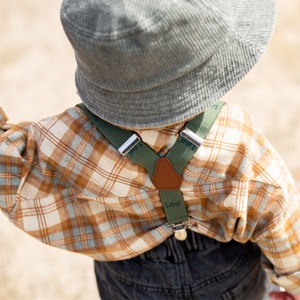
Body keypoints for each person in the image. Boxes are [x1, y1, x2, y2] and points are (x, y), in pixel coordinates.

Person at [1, 0, 300, 299]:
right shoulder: (236, 135)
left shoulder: (64, 138)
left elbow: (10, 172)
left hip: (127, 279)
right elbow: (279, 212)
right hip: (227, 273)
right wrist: (293, 283)